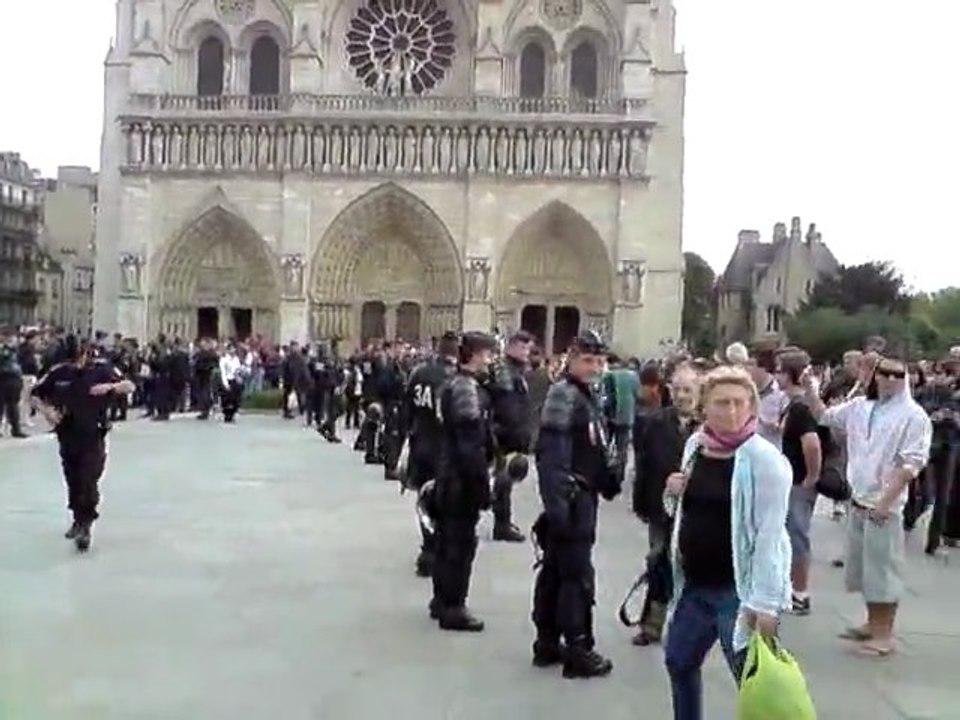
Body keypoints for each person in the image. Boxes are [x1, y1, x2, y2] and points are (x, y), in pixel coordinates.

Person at [663, 365, 792, 720]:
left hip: (738, 592)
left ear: (752, 406)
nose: (731, 411)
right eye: (722, 403)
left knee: (751, 678)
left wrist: (763, 603)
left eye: (739, 403)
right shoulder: (696, 446)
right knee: (679, 660)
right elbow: (681, 511)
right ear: (705, 407)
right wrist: (672, 492)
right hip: (694, 585)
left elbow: (769, 536)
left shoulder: (766, 462)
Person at [804, 352, 932, 656]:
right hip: (859, 497)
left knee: (884, 569)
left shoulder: (914, 416)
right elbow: (825, 416)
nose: (888, 379)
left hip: (883, 502)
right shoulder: (861, 407)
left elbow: (911, 463)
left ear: (907, 379)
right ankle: (872, 623)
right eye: (883, 373)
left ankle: (883, 634)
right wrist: (810, 389)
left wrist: (886, 502)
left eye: (896, 374)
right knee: (864, 569)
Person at [531, 330, 622, 678]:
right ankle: (578, 649)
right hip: (572, 500)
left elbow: (593, 448)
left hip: (579, 496)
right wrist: (559, 506)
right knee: (576, 577)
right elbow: (551, 457)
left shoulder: (584, 396)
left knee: (557, 572)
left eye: (600, 361)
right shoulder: (564, 396)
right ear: (571, 358)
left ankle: (549, 643)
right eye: (588, 360)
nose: (596, 367)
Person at [31, 336, 135, 552]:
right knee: (73, 478)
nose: (75, 364)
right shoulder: (59, 372)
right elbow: (35, 394)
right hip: (67, 433)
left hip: (93, 433)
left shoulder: (102, 369)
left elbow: (129, 385)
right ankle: (78, 518)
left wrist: (108, 388)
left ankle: (86, 525)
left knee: (88, 479)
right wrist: (47, 412)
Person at [429, 331, 498, 631]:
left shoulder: (455, 384)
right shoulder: (466, 390)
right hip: (459, 480)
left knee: (447, 542)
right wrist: (482, 487)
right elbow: (470, 444)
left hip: (448, 476)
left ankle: (441, 600)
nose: (490, 360)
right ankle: (453, 606)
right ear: (473, 355)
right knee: (459, 545)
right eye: (487, 354)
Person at [631, 362, 701, 646]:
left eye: (689, 389)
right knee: (658, 560)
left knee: (692, 566)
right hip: (662, 507)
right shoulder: (654, 423)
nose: (683, 395)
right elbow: (644, 467)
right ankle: (652, 624)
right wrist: (642, 504)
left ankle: (690, 626)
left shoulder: (710, 427)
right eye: (678, 389)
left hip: (698, 511)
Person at [404, 331, 459, 577]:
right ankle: (438, 548)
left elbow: (406, 410)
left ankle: (427, 548)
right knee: (445, 501)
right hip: (444, 448)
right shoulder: (454, 379)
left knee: (424, 499)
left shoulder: (418, 373)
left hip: (420, 443)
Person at [775, 348, 822, 616]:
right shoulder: (792, 404)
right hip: (789, 477)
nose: (776, 375)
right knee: (789, 533)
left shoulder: (800, 407)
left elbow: (812, 445)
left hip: (797, 480)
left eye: (780, 370)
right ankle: (790, 587)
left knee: (796, 535)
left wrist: (811, 478)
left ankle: (800, 592)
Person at [487, 330, 535, 542]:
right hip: (503, 433)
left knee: (504, 481)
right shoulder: (504, 369)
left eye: (528, 348)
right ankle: (502, 524)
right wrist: (514, 434)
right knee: (503, 480)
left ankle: (503, 520)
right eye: (523, 347)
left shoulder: (516, 369)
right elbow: (507, 406)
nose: (526, 352)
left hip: (509, 432)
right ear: (512, 346)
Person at [218, 344, 245, 423]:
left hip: (234, 380)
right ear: (228, 350)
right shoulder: (224, 359)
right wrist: (225, 384)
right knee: (226, 399)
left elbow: (238, 370)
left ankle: (233, 413)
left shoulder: (236, 359)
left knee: (235, 399)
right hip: (227, 379)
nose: (232, 351)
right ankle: (226, 414)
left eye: (234, 349)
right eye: (231, 349)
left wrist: (240, 375)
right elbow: (223, 372)